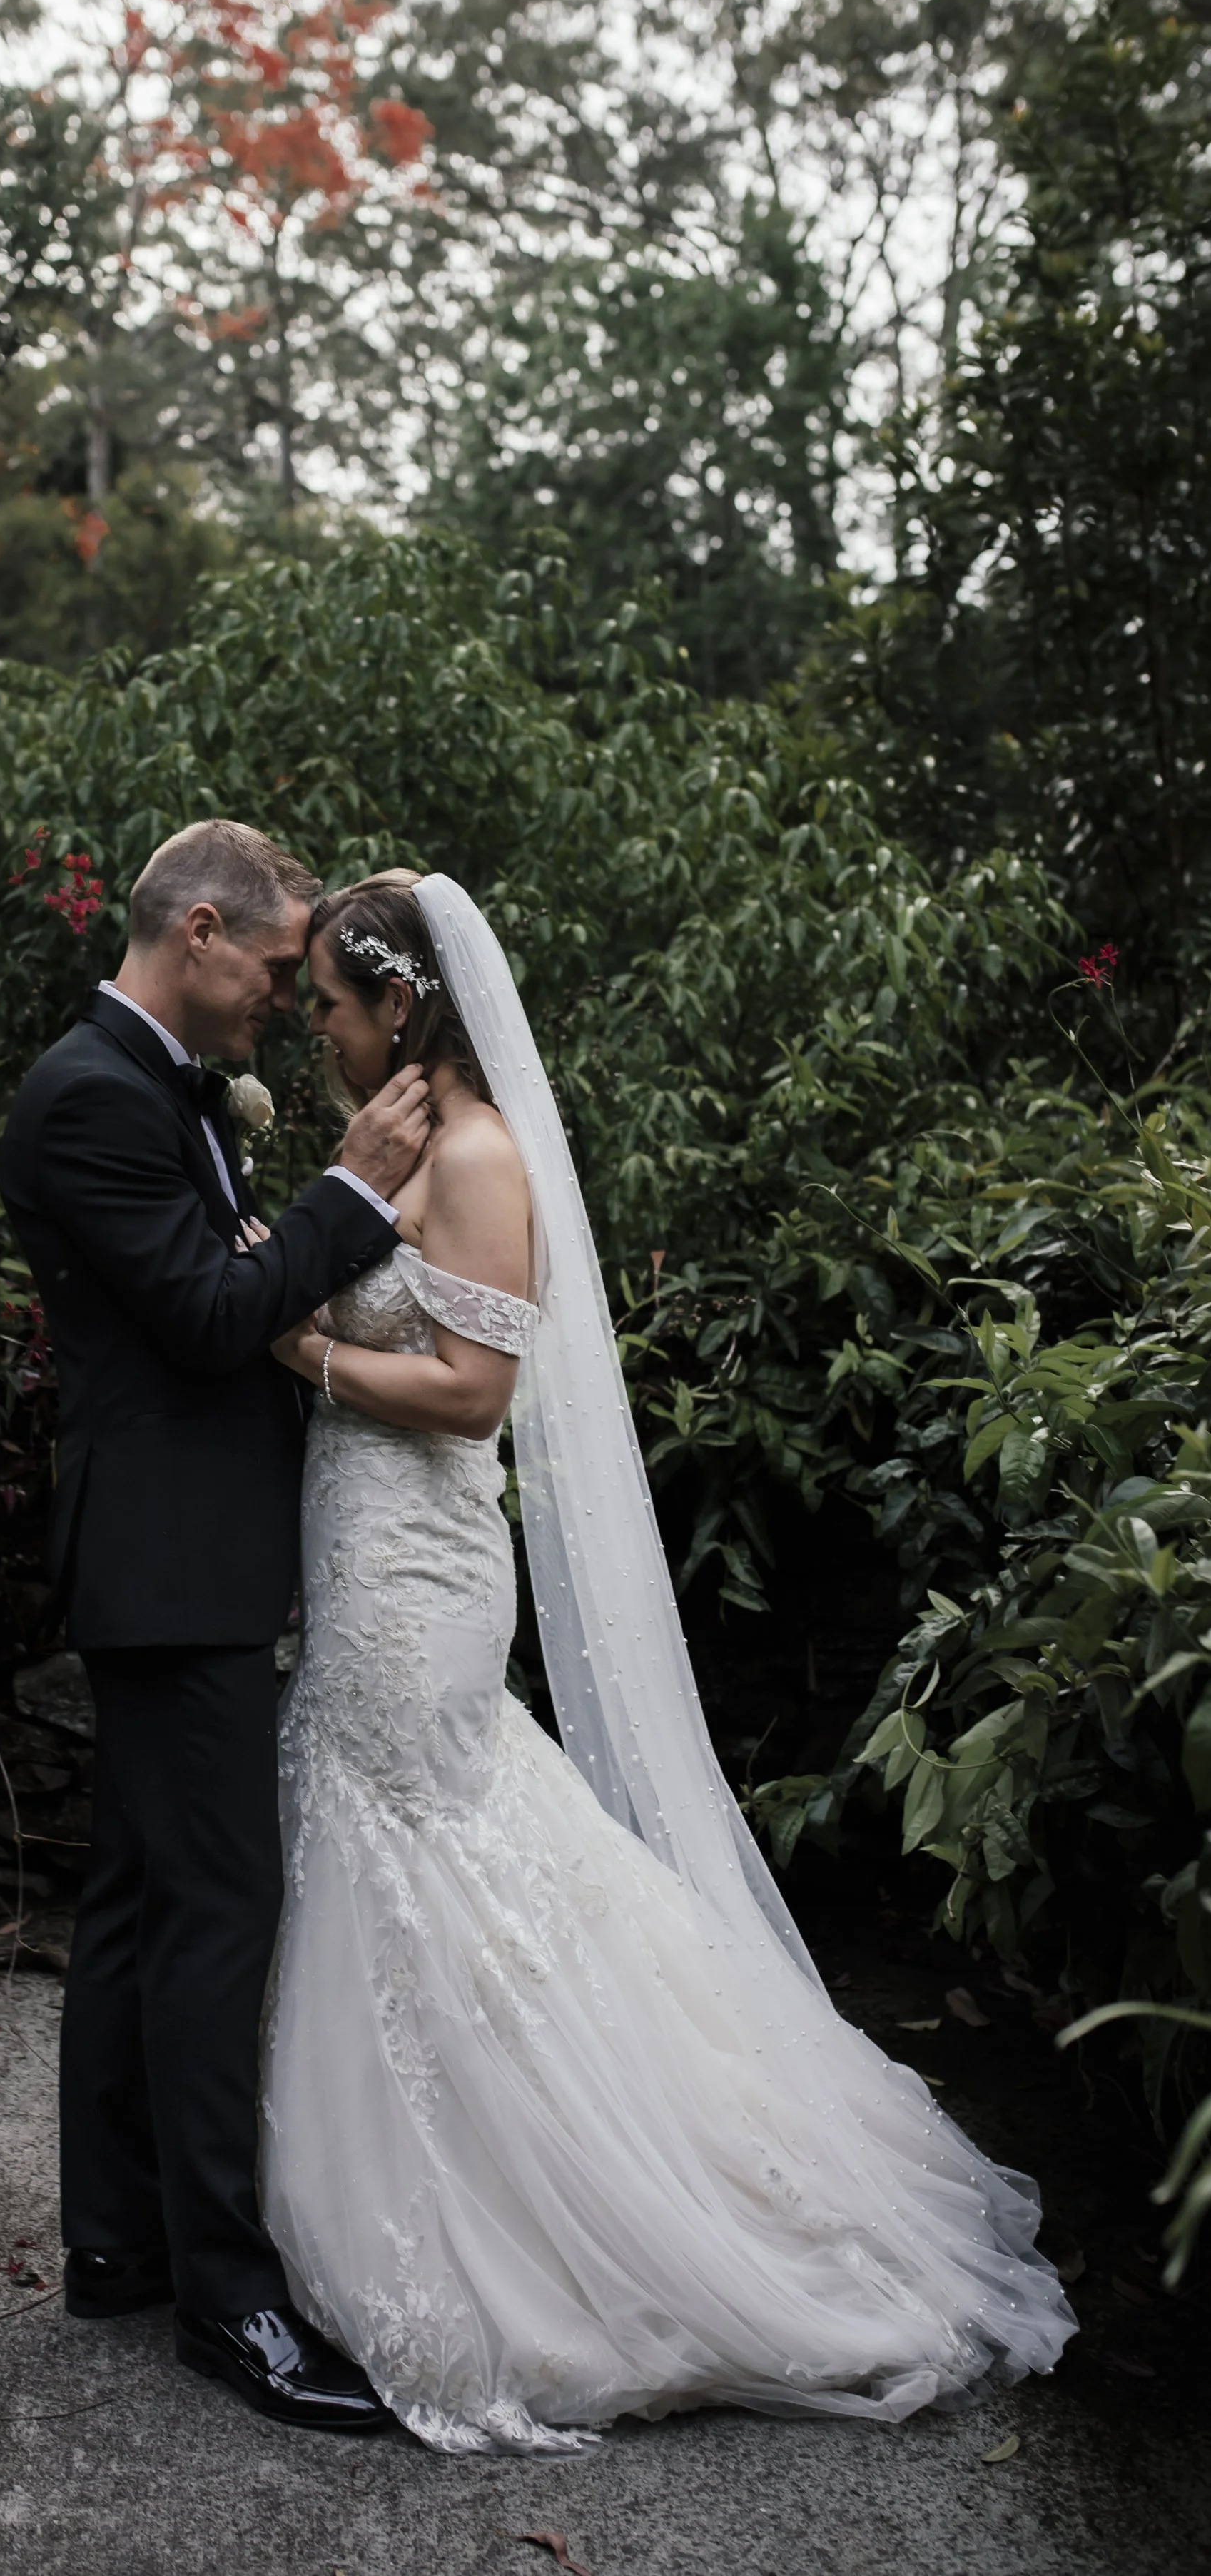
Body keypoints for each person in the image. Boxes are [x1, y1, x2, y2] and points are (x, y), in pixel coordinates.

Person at [258, 867, 1078, 2454]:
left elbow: (470, 1393)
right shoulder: (407, 1141)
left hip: (417, 1568)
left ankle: (574, 2219)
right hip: (359, 1548)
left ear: (400, 1004)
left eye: (336, 1012)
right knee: (401, 1841)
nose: (323, 1043)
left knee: (433, 1841)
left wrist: (292, 1339)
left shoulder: (480, 1154)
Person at [0, 820, 428, 2433]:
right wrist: (350, 1193)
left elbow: (211, 1274)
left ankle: (119, 2244)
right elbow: (200, 1314)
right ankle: (226, 2306)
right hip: (171, 1567)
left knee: (134, 1906)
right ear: (195, 933)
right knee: (217, 1917)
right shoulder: (92, 1096)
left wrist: (288, 1221)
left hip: (176, 1555)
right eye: (263, 967)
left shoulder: (147, 1085)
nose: (274, 998)